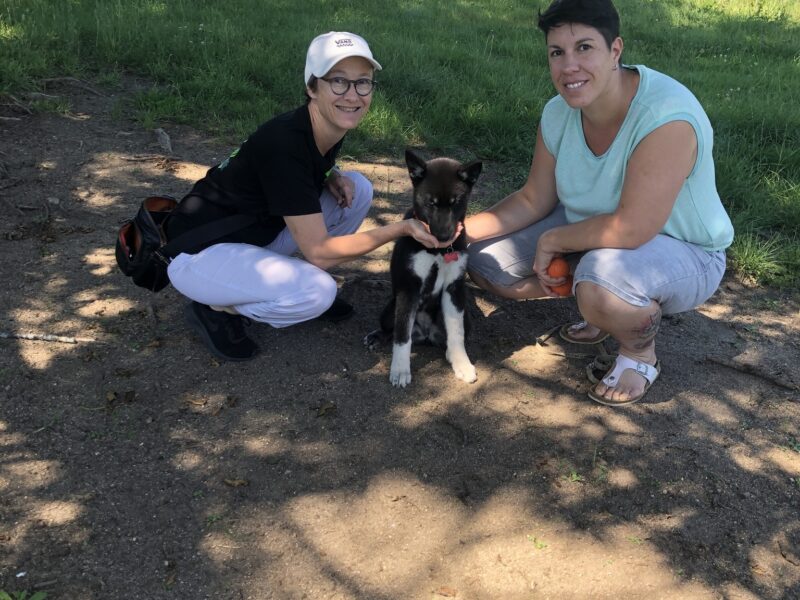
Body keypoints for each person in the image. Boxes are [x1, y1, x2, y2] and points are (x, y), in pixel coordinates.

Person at [465, 0, 734, 406]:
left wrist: (556, 241)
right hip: (596, 229)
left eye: (584, 48)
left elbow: (634, 227)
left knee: (600, 278)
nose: (569, 65)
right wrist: (454, 231)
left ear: (615, 50)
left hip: (686, 249)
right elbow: (533, 197)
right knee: (480, 260)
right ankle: (598, 305)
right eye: (557, 53)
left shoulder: (666, 116)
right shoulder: (558, 113)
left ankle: (638, 353)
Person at [165, 32, 456, 362]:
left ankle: (277, 282)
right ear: (311, 87)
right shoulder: (285, 145)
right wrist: (399, 230)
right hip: (197, 254)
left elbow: (306, 168)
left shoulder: (324, 125)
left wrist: (331, 173)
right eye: (338, 81)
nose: (353, 95)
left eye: (363, 82)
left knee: (357, 189)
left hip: (252, 236)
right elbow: (319, 252)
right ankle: (216, 308)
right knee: (317, 291)